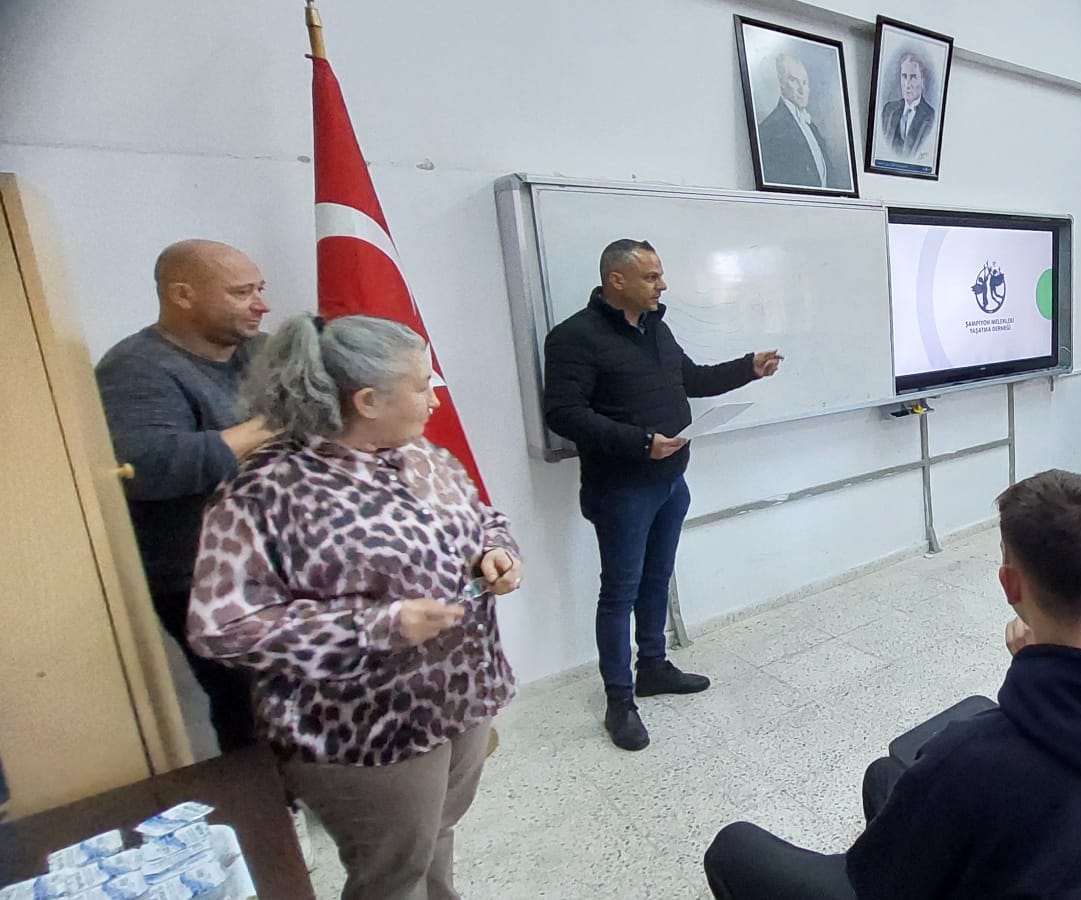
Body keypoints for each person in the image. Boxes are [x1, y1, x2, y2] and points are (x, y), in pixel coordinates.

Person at [701, 470, 1081, 899]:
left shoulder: (972, 755)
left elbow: (876, 887)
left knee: (733, 846)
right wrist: (1045, 668)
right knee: (885, 775)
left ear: (1010, 583)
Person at [189, 315, 521, 900]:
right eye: (421, 385)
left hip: (462, 696)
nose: (434, 398)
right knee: (391, 874)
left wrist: (496, 550)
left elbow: (482, 518)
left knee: (433, 840)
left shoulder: (420, 456)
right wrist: (375, 626)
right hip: (368, 730)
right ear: (368, 400)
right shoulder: (268, 489)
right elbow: (223, 626)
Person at [542, 239, 782, 751]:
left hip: (671, 482)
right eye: (651, 277)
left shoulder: (657, 328)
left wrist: (748, 367)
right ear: (617, 280)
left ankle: (652, 667)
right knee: (619, 593)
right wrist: (639, 442)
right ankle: (619, 701)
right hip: (621, 489)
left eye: (660, 275)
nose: (662, 285)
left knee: (656, 581)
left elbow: (690, 378)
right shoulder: (574, 338)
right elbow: (563, 414)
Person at [95, 239, 277, 752]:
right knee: (254, 707)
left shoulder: (263, 352)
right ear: (183, 295)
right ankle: (261, 799)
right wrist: (268, 426)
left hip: (281, 556)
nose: (261, 304)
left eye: (259, 289)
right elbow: (147, 466)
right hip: (201, 575)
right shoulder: (136, 369)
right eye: (241, 293)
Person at [757, 53, 839, 189]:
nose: (802, 89)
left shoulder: (811, 127)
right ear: (781, 84)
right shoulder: (771, 128)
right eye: (794, 81)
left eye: (805, 83)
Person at [877, 52, 936, 156]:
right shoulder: (889, 110)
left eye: (913, 77)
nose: (907, 84)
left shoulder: (931, 117)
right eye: (904, 76)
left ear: (922, 82)